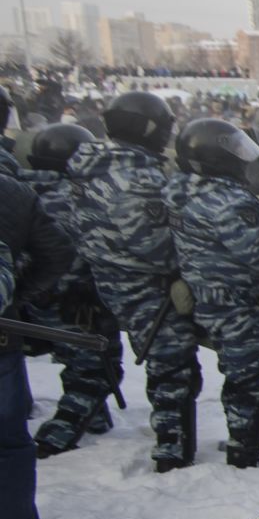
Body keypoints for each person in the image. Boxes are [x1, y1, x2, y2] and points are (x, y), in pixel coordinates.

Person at [67, 91, 203, 472]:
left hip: (102, 277)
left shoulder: (87, 165)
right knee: (172, 369)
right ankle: (171, 449)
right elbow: (155, 247)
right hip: (145, 288)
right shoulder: (140, 177)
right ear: (147, 129)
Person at [170, 118, 259, 470]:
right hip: (240, 305)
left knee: (239, 377)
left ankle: (241, 440)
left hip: (210, 300)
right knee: (258, 379)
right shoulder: (230, 201)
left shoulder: (182, 189)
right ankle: (244, 452)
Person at [19, 125, 125, 457]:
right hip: (74, 301)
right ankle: (59, 432)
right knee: (96, 369)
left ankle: (95, 419)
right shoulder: (79, 198)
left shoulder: (18, 190)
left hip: (27, 301)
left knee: (75, 359)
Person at [0, 164, 73, 519]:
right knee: (8, 445)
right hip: (2, 337)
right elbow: (58, 252)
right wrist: (20, 297)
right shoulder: (10, 190)